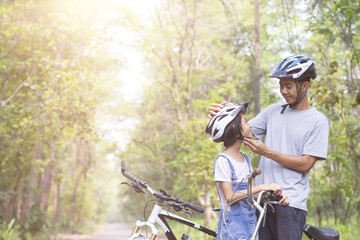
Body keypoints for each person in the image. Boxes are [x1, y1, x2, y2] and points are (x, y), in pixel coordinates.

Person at [208, 56, 329, 240]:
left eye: (288, 86)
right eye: (281, 85)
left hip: (290, 204)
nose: (283, 91)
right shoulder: (274, 111)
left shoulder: (317, 121)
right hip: (261, 202)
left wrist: (267, 152)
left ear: (305, 86)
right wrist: (225, 115)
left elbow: (306, 164)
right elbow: (239, 130)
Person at [206, 102, 289, 240]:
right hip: (232, 228)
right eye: (245, 122)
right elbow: (229, 197)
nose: (250, 125)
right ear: (234, 128)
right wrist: (262, 186)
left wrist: (276, 194)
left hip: (251, 224)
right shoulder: (223, 161)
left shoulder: (245, 159)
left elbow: (253, 196)